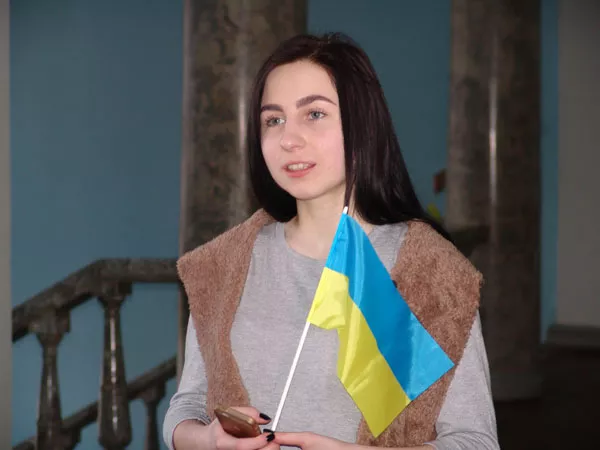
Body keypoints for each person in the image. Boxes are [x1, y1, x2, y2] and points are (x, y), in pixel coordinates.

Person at [163, 33, 499, 450]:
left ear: (362, 126)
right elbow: (187, 406)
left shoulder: (430, 273)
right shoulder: (223, 264)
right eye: (273, 120)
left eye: (315, 114)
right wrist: (207, 439)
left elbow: (475, 440)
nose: (289, 139)